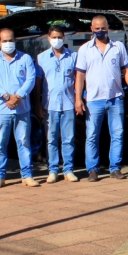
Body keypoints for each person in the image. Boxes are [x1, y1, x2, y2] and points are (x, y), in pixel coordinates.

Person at [75, 15, 128, 182]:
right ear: (91, 29)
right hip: (94, 100)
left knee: (117, 134)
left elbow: (126, 71)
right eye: (97, 29)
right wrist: (78, 98)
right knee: (92, 135)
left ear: (108, 28)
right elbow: (80, 76)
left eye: (103, 28)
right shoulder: (85, 49)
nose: (100, 31)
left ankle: (115, 168)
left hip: (115, 98)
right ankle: (92, 170)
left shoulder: (118, 46)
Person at [0, 28, 38, 188]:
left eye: (10, 40)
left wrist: (18, 96)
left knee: (24, 142)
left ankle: (27, 175)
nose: (8, 43)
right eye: (5, 41)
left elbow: (30, 79)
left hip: (22, 109)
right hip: (2, 110)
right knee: (0, 143)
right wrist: (7, 97)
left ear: (15, 41)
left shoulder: (25, 58)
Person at [35, 25, 79, 183]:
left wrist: (79, 99)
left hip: (68, 104)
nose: (57, 40)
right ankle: (53, 170)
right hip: (50, 105)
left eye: (59, 37)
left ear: (64, 38)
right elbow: (38, 82)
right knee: (51, 139)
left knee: (68, 139)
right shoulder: (41, 58)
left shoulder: (73, 56)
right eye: (54, 37)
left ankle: (68, 170)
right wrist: (38, 103)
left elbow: (79, 79)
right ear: (49, 39)